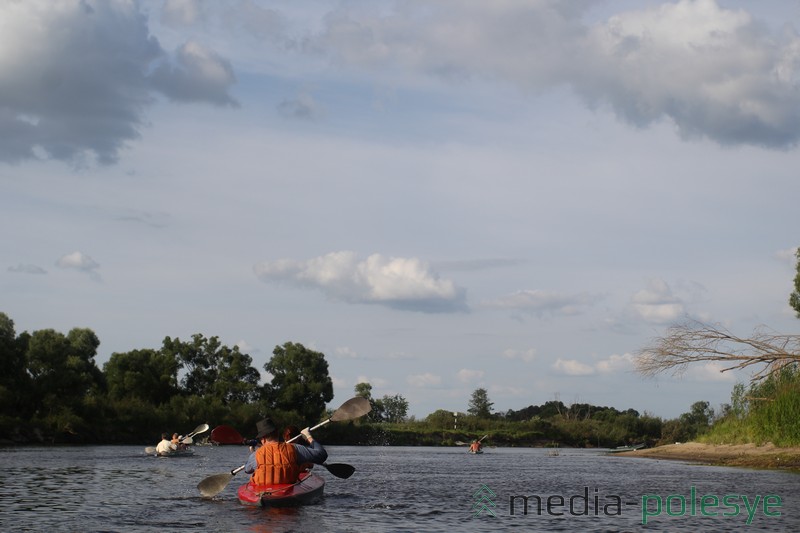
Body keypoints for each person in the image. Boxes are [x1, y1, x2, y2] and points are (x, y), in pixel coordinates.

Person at [244, 417, 328, 486]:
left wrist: (253, 451)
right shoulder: (295, 448)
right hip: (287, 493)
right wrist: (308, 437)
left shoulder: (255, 455)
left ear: (263, 439)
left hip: (263, 494)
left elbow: (247, 469)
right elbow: (321, 455)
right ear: (277, 433)